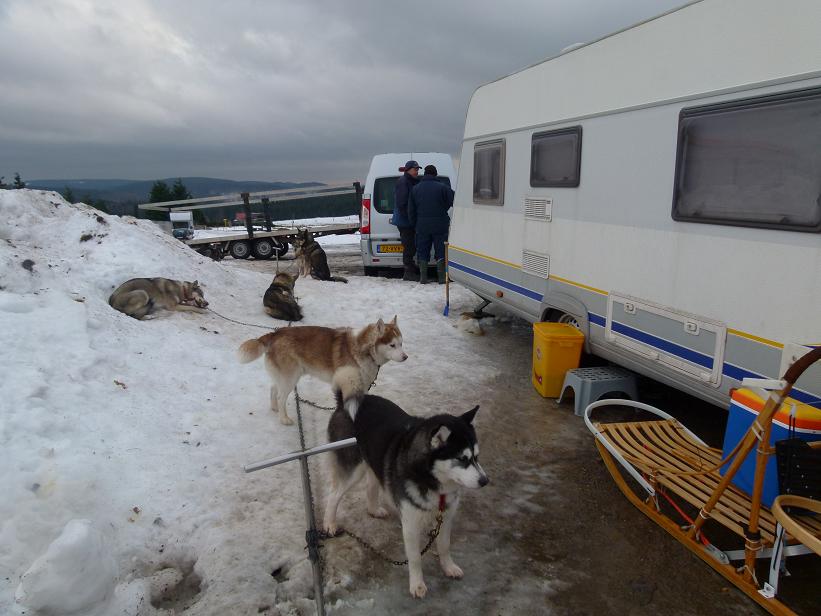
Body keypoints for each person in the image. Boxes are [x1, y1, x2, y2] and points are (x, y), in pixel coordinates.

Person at [408, 164, 454, 284]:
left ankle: (423, 277)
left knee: (422, 250)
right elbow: (453, 200)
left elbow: (411, 210)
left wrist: (415, 224)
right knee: (440, 250)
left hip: (422, 225)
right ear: (435, 174)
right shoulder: (443, 187)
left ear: (425, 174)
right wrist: (443, 209)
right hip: (440, 224)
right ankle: (442, 278)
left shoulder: (415, 189)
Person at [391, 160, 421, 281]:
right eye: (415, 169)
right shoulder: (403, 182)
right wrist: (411, 219)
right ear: (408, 170)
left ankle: (411, 268)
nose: (417, 171)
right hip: (405, 221)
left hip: (407, 220)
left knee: (411, 245)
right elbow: (402, 203)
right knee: (409, 246)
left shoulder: (410, 181)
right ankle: (408, 272)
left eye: (418, 169)